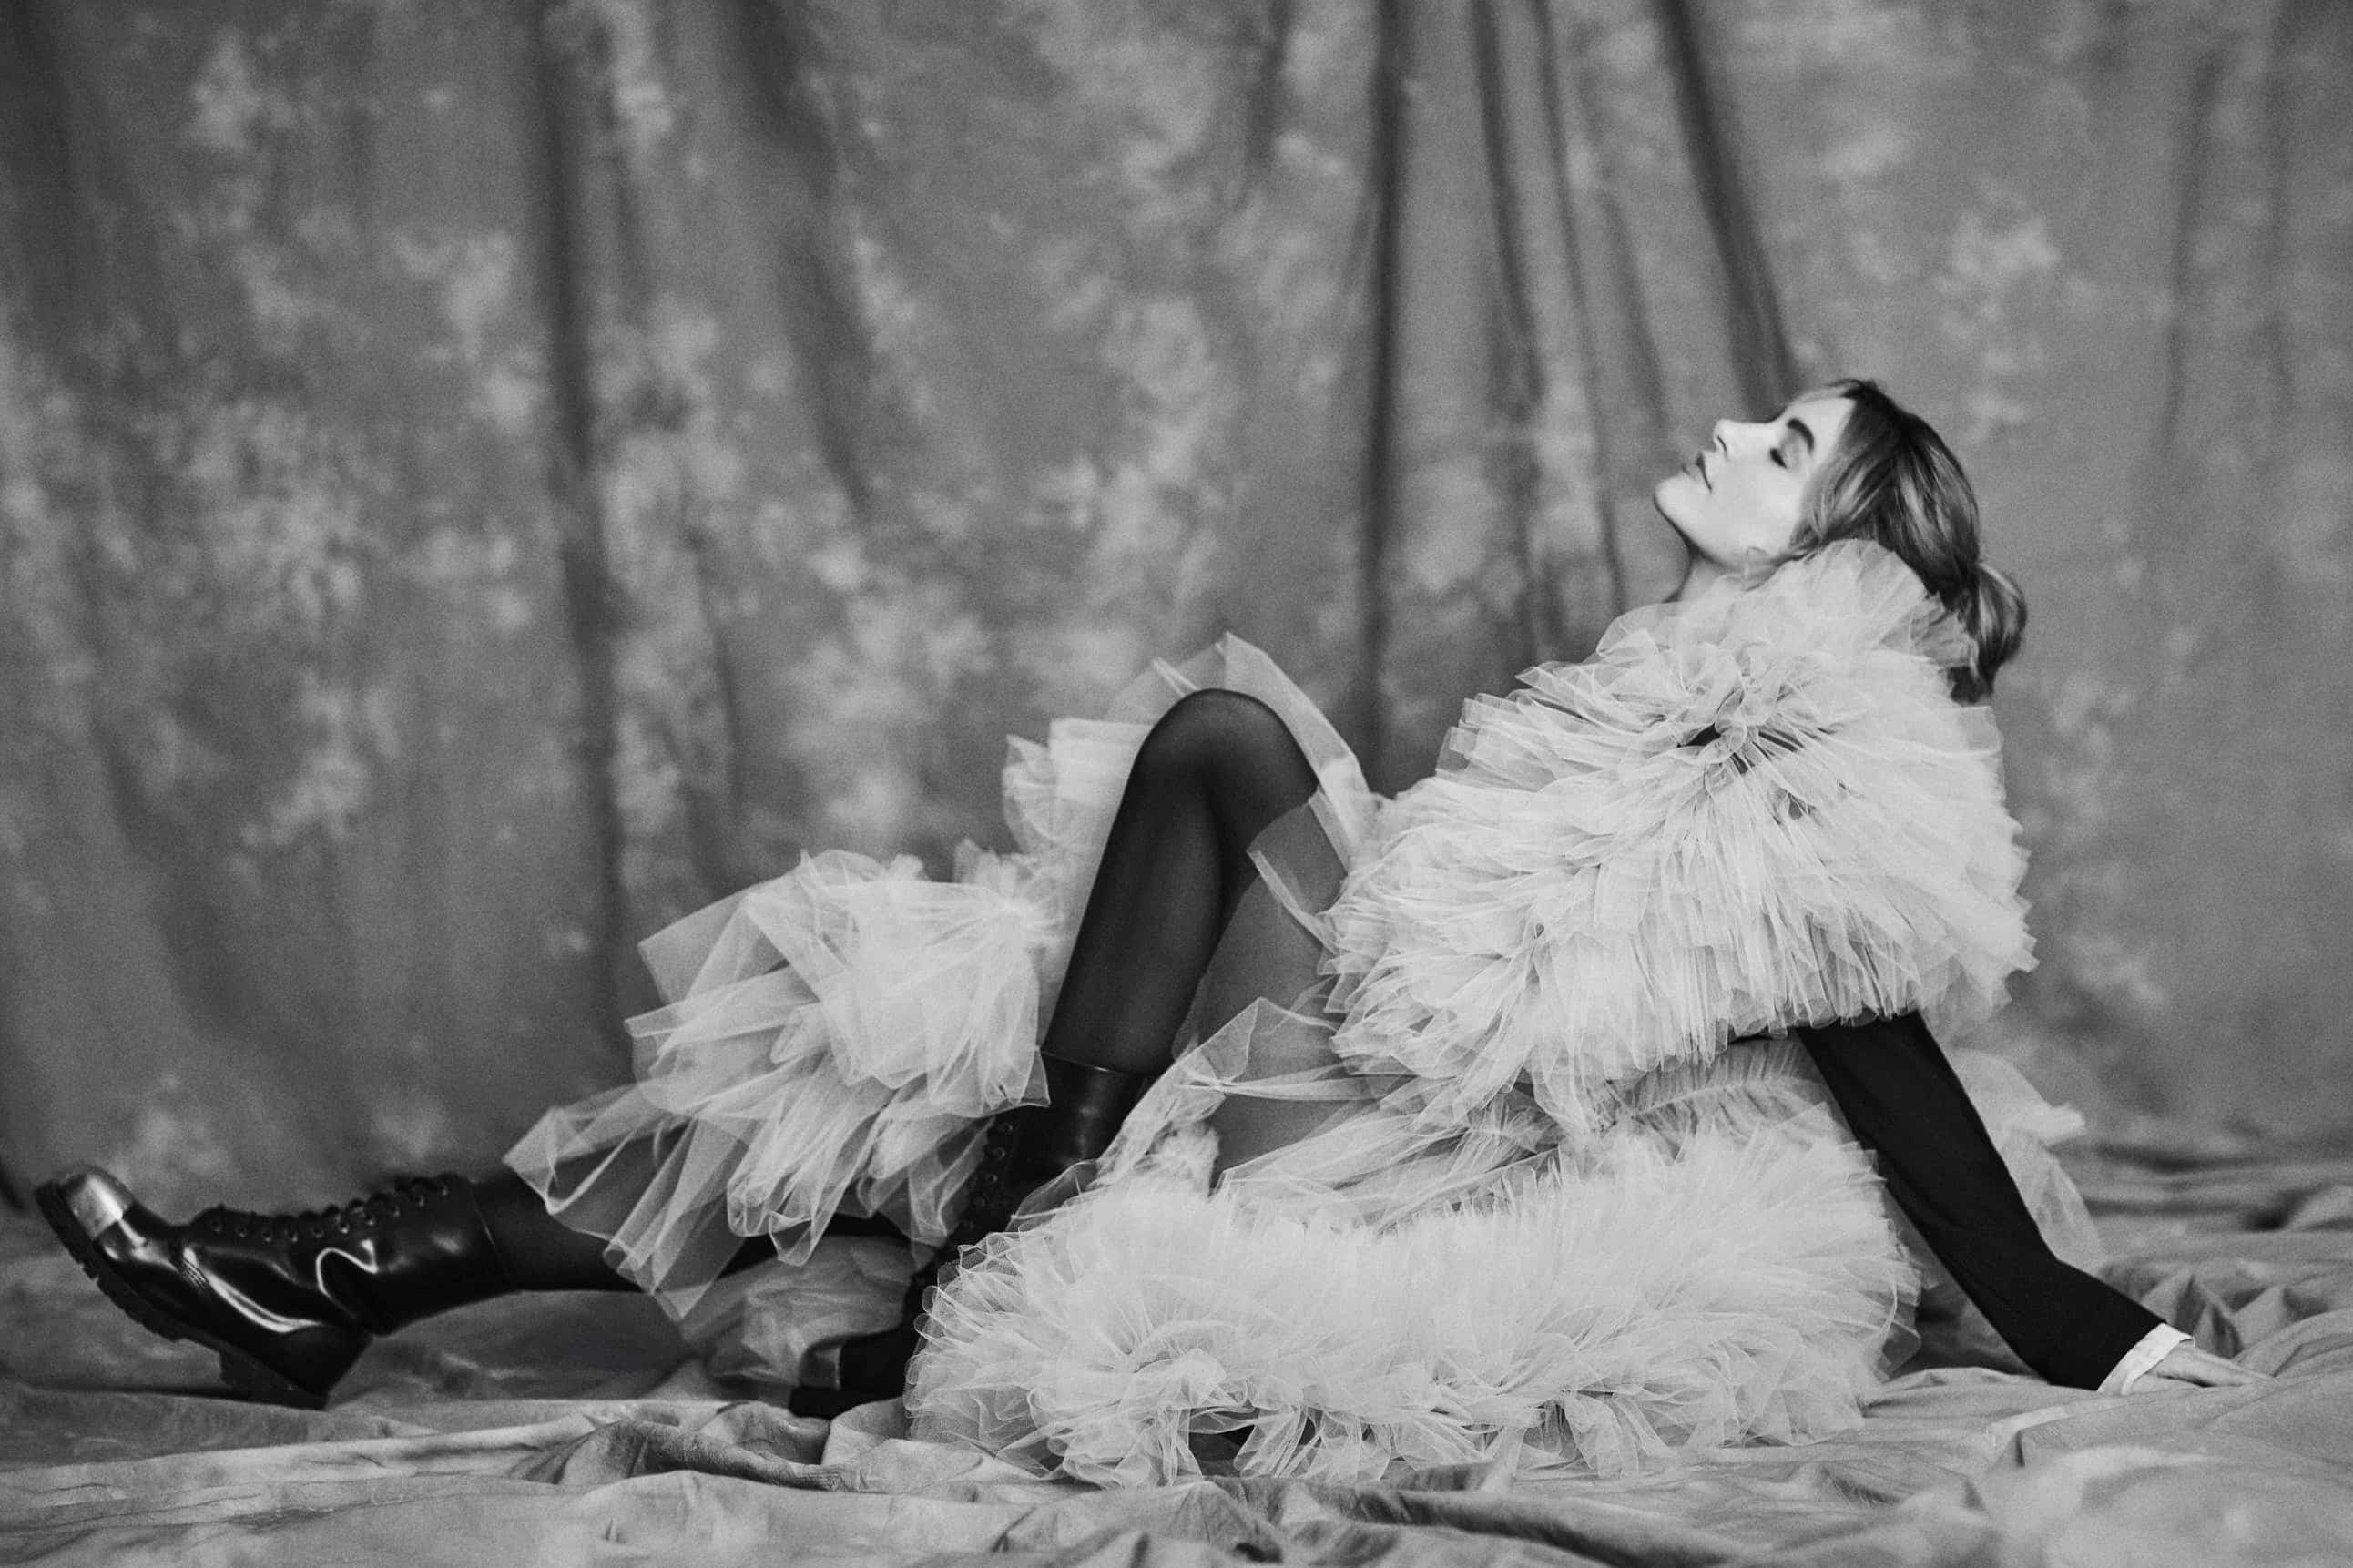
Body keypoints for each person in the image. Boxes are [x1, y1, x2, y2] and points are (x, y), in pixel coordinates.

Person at [38, 380, 2260, 1481]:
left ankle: (994, 1206)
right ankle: (344, 1274)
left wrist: (2073, 1326)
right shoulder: (1658, 672)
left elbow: (1874, 1052)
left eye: (1775, 447)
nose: (1722, 432)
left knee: (1203, 749)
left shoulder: (1793, 745)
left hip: (1426, 1140)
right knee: (860, 1035)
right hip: (1348, 1032)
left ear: (1831, 545)